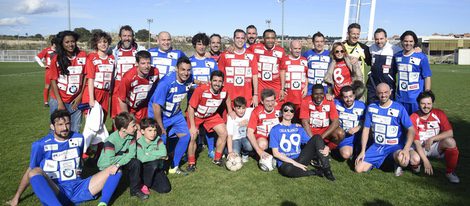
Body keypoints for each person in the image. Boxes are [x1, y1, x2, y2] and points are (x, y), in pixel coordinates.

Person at [27, 110, 121, 206]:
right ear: (52, 126)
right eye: (60, 125)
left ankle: (103, 203)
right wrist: (17, 196)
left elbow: (79, 158)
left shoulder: (79, 138)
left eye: (67, 124)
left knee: (116, 169)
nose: (65, 128)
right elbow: (31, 170)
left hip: (80, 188)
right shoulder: (40, 144)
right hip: (58, 190)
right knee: (34, 171)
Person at [355, 83, 415, 175]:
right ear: (376, 93)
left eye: (386, 92)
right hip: (378, 146)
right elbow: (366, 129)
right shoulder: (371, 108)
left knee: (403, 161)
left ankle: (395, 162)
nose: (383, 95)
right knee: (358, 169)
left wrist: (406, 149)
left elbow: (411, 129)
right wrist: (363, 151)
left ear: (390, 92)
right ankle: (384, 162)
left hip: (394, 146)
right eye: (380, 93)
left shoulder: (399, 108)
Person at [148, 56, 192, 175]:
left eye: (188, 70)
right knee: (161, 139)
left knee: (186, 136)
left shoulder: (189, 78)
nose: (186, 73)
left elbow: (193, 82)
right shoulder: (166, 83)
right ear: (176, 69)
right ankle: (159, 169)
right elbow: (156, 106)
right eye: (183, 69)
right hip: (159, 114)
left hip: (175, 113)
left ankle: (174, 166)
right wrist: (160, 126)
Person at [270, 102, 335, 180]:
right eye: (286, 110)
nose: (288, 113)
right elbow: (276, 153)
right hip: (285, 162)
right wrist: (296, 164)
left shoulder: (298, 128)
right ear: (281, 112)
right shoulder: (275, 129)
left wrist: (326, 146)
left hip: (300, 158)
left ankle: (327, 169)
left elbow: (312, 142)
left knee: (317, 137)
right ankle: (315, 172)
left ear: (293, 114)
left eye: (291, 111)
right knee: (286, 170)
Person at [186, 71, 234, 171]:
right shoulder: (201, 90)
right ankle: (191, 162)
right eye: (215, 81)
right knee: (193, 136)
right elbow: (190, 108)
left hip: (211, 115)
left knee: (223, 133)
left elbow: (227, 98)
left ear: (223, 82)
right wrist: (193, 127)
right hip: (196, 115)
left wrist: (230, 110)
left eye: (220, 81)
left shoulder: (224, 90)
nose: (217, 83)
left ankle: (217, 158)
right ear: (210, 81)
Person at [409, 91, 460, 183]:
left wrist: (432, 138)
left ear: (433, 103)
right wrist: (426, 161)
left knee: (451, 142)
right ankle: (417, 165)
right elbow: (416, 142)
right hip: (418, 147)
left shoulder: (439, 114)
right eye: (423, 103)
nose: (426, 106)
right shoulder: (413, 117)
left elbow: (450, 132)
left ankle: (450, 172)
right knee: (415, 160)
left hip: (433, 146)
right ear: (418, 104)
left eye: (429, 103)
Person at [97, 112, 148, 200]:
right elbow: (110, 160)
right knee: (112, 191)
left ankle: (135, 190)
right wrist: (124, 156)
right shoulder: (110, 141)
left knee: (135, 162)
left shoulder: (131, 136)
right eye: (133, 126)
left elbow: (132, 154)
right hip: (106, 166)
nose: (136, 128)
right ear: (123, 129)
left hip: (118, 163)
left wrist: (119, 163)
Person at [48, 30, 87, 132]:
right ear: (62, 43)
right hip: (58, 100)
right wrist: (60, 102)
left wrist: (80, 96)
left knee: (75, 130)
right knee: (57, 130)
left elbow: (86, 77)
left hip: (76, 100)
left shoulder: (82, 55)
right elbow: (53, 80)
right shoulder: (56, 58)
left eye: (72, 41)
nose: (70, 44)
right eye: (67, 42)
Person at [393, 30, 432, 115]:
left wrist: (427, 95)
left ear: (414, 42)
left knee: (415, 124)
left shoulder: (421, 57)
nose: (408, 43)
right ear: (402, 42)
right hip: (400, 98)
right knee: (401, 124)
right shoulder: (397, 56)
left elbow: (427, 76)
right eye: (406, 41)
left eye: (411, 41)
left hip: (415, 99)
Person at [111, 25, 146, 119]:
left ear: (133, 37)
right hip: (119, 86)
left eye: (129, 36)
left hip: (135, 86)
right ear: (120, 37)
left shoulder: (139, 51)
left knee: (137, 117)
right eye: (124, 36)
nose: (127, 38)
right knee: (120, 117)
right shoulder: (113, 52)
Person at [218, 29, 259, 107]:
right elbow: (220, 76)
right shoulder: (225, 55)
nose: (240, 40)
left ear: (245, 39)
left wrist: (255, 94)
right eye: (237, 38)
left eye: (242, 38)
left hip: (247, 98)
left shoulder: (251, 56)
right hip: (228, 98)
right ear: (233, 39)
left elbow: (255, 76)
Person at [117, 50, 159, 124]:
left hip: (142, 105)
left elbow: (156, 90)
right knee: (127, 127)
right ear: (136, 63)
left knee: (143, 129)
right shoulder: (128, 77)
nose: (146, 66)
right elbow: (122, 99)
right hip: (128, 105)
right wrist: (127, 118)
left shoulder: (155, 72)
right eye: (143, 63)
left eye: (149, 63)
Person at [134, 118, 171, 195]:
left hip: (157, 168)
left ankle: (149, 182)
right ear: (142, 131)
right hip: (144, 169)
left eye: (155, 130)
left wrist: (148, 153)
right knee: (154, 164)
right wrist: (158, 156)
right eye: (150, 130)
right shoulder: (139, 143)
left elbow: (163, 153)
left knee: (166, 189)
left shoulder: (158, 139)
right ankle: (144, 184)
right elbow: (143, 158)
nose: (153, 133)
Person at [82, 31, 115, 120]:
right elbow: (90, 79)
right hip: (93, 91)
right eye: (99, 42)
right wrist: (91, 99)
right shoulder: (92, 57)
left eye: (105, 42)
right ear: (96, 44)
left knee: (102, 120)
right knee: (91, 123)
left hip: (105, 93)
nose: (102, 44)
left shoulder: (111, 58)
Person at [248, 29, 286, 102]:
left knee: (274, 109)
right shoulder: (255, 48)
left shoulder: (280, 51)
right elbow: (243, 51)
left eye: (272, 38)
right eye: (268, 38)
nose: (270, 40)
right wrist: (233, 47)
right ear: (263, 39)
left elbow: (282, 70)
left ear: (275, 39)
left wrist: (282, 88)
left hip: (275, 86)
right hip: (260, 86)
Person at [300, 84, 341, 149]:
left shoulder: (329, 101)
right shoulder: (306, 100)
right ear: (312, 94)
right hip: (310, 131)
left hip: (324, 131)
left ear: (324, 94)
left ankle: (328, 149)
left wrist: (320, 138)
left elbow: (336, 122)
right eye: (316, 94)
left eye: (321, 93)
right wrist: (313, 139)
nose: (319, 96)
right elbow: (304, 122)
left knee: (340, 133)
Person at [367, 28, 402, 104]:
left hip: (388, 84)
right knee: (371, 107)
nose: (379, 41)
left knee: (388, 107)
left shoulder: (395, 50)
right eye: (377, 39)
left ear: (386, 38)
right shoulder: (371, 48)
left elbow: (407, 53)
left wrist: (416, 49)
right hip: (373, 84)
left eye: (381, 38)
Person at [247, 89, 281, 161]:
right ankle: (260, 154)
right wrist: (259, 151)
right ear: (262, 101)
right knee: (262, 144)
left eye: (272, 101)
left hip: (276, 136)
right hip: (262, 137)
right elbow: (249, 132)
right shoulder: (257, 111)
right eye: (267, 101)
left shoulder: (279, 109)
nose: (270, 104)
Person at [334, 86, 366, 159]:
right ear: (341, 97)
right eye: (345, 97)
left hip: (359, 135)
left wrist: (358, 127)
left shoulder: (362, 105)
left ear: (354, 96)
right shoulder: (336, 103)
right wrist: (328, 96)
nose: (348, 100)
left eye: (350, 96)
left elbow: (368, 122)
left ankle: (357, 149)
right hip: (345, 136)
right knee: (346, 154)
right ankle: (336, 147)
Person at [280, 40, 308, 118]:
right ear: (290, 49)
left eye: (299, 48)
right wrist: (282, 89)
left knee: (299, 119)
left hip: (300, 96)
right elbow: (281, 75)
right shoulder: (284, 60)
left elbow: (306, 76)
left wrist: (305, 87)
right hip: (288, 96)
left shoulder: (304, 60)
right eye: (295, 48)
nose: (297, 51)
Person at [227, 97, 254, 163]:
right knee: (235, 154)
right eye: (238, 108)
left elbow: (259, 108)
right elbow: (229, 136)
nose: (241, 111)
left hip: (245, 137)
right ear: (234, 108)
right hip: (235, 139)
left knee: (250, 146)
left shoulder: (249, 111)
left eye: (243, 108)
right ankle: (226, 150)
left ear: (246, 107)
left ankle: (245, 154)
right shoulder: (231, 117)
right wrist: (230, 152)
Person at [35, 37, 56, 107]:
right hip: (49, 71)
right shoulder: (47, 50)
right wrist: (42, 65)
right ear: (53, 43)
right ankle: (46, 102)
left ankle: (56, 100)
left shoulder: (60, 50)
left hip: (58, 70)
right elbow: (37, 57)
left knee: (59, 86)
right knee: (48, 86)